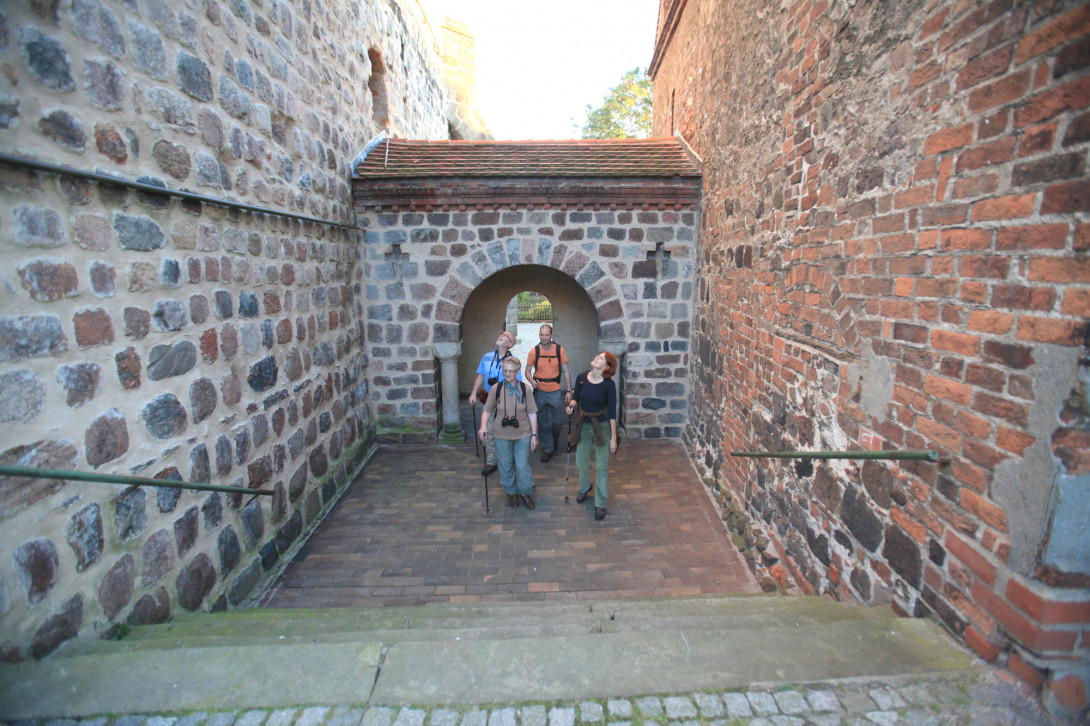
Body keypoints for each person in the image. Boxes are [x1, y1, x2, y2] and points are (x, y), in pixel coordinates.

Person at [478, 357, 539, 509]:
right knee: (505, 465)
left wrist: (534, 435)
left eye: (511, 371)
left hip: (523, 434)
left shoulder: (525, 389)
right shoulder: (496, 389)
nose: (508, 374)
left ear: (518, 371)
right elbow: (487, 409)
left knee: (522, 466)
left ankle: (525, 492)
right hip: (501, 435)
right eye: (505, 370)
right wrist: (483, 427)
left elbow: (532, 413)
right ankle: (511, 492)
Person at [565, 351, 618, 521]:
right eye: (597, 356)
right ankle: (585, 486)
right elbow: (575, 398)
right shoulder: (581, 377)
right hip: (585, 424)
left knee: (601, 467)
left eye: (601, 358)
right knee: (581, 462)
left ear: (607, 367)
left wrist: (613, 438)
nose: (596, 358)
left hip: (602, 426)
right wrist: (571, 406)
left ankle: (600, 504)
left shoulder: (609, 385)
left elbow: (612, 412)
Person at [468, 330, 520, 476]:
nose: (502, 335)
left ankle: (508, 457)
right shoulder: (487, 357)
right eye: (502, 333)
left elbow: (518, 383)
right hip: (488, 399)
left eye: (506, 336)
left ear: (509, 344)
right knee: (489, 431)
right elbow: (480, 376)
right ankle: (491, 461)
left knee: (506, 430)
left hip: (505, 400)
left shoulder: (513, 361)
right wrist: (473, 393)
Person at [524, 323, 572, 463]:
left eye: (547, 335)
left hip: (555, 390)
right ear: (539, 335)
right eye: (541, 334)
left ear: (552, 335)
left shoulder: (559, 350)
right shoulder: (534, 351)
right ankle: (548, 449)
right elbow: (527, 371)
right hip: (539, 391)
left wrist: (569, 390)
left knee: (558, 421)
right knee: (543, 422)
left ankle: (554, 437)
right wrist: (532, 381)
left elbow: (566, 370)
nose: (544, 337)